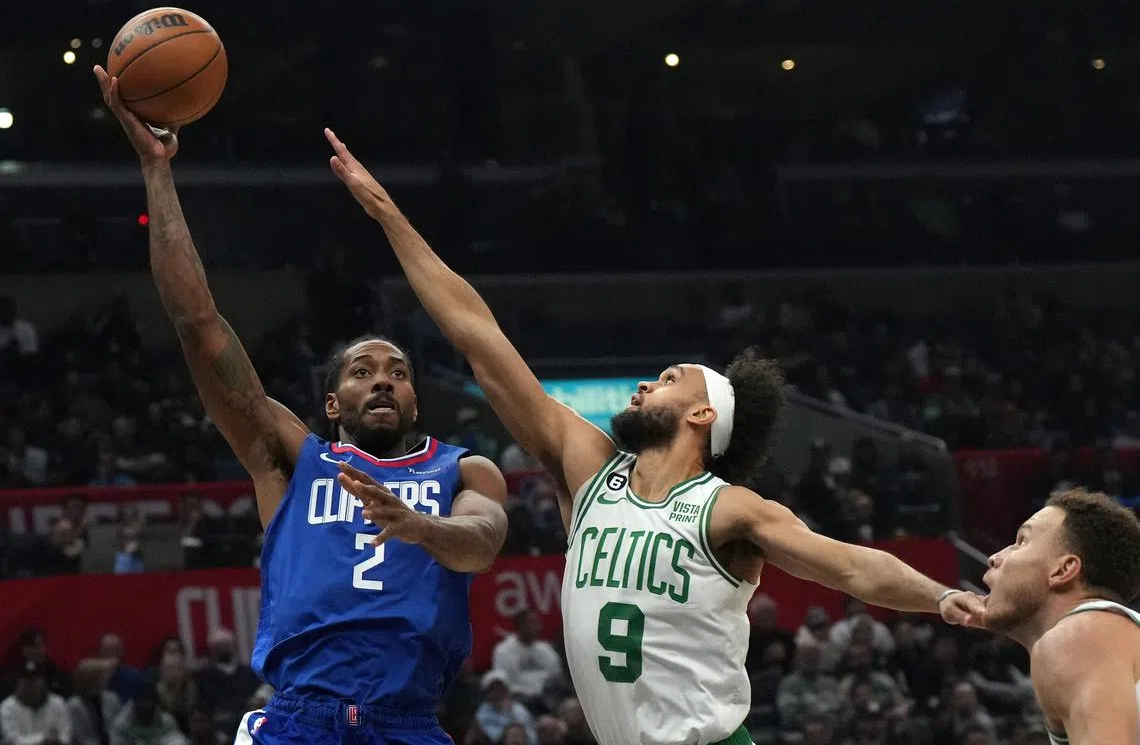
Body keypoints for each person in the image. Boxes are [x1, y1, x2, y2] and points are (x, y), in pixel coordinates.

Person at [323, 129, 985, 745]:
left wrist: (942, 595)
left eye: (669, 379)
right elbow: (479, 338)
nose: (646, 385)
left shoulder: (726, 508)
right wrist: (388, 215)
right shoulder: (590, 471)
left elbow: (847, 565)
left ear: (703, 416)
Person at [93, 69, 509, 745]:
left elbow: (484, 542)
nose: (382, 382)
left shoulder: (463, 471)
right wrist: (157, 172)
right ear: (331, 400)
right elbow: (198, 323)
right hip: (298, 719)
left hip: (407, 722)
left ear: (413, 398)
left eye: (398, 373)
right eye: (363, 371)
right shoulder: (291, 459)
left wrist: (420, 526)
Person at [982, 488, 1140, 744]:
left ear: (1063, 570)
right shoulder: (1109, 632)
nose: (994, 558)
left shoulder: (1080, 633)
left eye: (1021, 541)